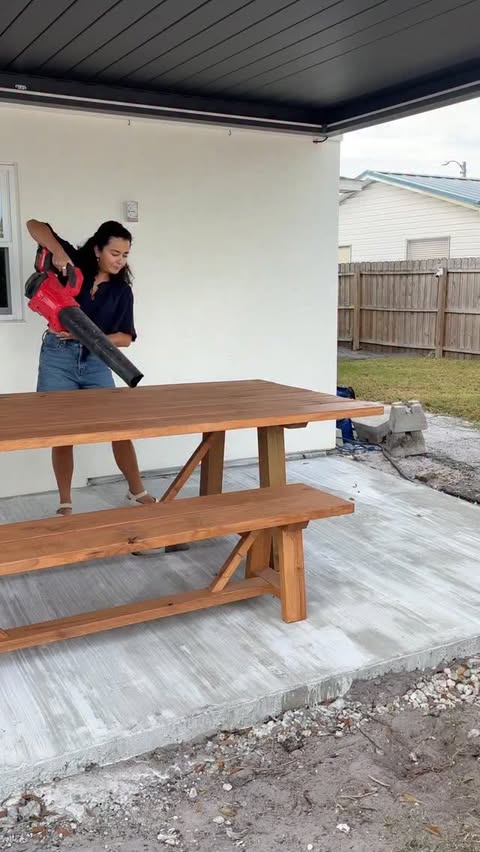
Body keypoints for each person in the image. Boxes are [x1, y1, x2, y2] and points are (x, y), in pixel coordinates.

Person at [26, 219, 157, 516]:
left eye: (125, 255)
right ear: (98, 249)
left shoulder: (122, 291)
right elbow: (33, 225)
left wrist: (88, 335)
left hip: (97, 359)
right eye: (115, 253)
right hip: (57, 357)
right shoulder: (72, 266)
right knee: (62, 433)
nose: (120, 260)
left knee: (117, 426)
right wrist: (58, 252)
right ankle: (65, 503)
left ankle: (137, 491)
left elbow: (125, 338)